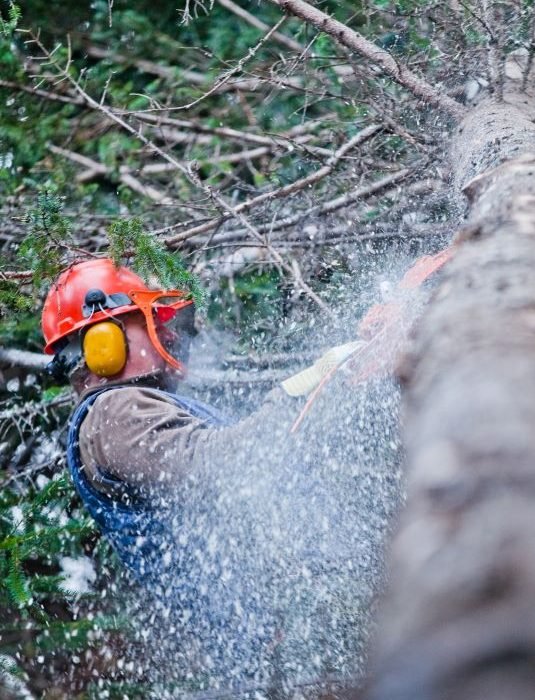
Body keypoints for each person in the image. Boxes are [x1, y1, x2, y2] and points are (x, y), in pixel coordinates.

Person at [40, 252, 450, 691]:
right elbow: (226, 466)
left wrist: (348, 373)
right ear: (105, 342)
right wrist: (305, 386)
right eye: (152, 323)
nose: (168, 334)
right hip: (280, 643)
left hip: (282, 634)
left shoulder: (130, 413)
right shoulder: (116, 413)